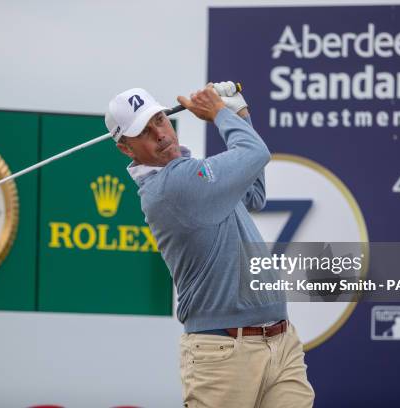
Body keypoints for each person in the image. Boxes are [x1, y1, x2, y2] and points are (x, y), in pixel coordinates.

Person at [105, 82, 314, 407]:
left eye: (159, 120)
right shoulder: (171, 186)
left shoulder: (194, 174)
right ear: (126, 149)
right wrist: (219, 112)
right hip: (223, 352)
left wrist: (239, 113)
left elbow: (254, 195)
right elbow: (256, 153)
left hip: (281, 341)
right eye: (144, 132)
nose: (160, 134)